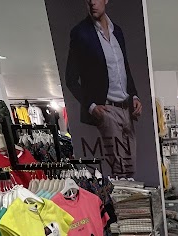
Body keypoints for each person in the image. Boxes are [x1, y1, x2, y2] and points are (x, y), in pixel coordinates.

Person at [65, 0, 143, 177]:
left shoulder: (118, 31)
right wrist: (91, 106)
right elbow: (70, 79)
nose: (92, 2)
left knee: (131, 168)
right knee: (119, 169)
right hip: (107, 110)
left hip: (127, 108)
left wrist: (134, 96)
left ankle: (128, 197)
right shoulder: (80, 33)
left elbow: (124, 68)